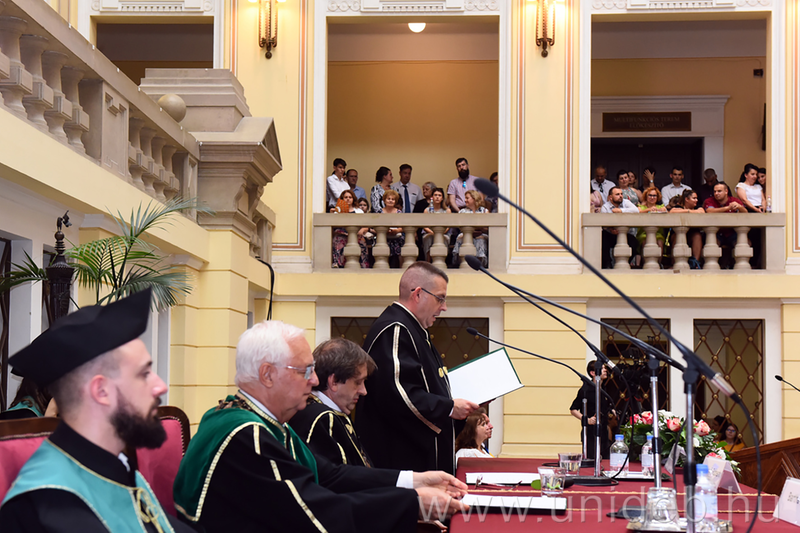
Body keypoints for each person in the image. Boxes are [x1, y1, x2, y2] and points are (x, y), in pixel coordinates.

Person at [172, 320, 469, 533]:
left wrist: (415, 481)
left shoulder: (257, 421)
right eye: (305, 371)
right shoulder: (247, 435)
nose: (314, 381)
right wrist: (413, 503)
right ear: (267, 374)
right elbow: (316, 513)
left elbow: (329, 475)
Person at [0, 289, 192, 532]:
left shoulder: (115, 465)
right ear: (101, 391)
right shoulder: (51, 510)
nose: (160, 386)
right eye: (144, 374)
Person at [355, 262, 479, 475]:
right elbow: (398, 394)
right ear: (418, 294)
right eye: (440, 298)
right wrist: (448, 408)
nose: (444, 307)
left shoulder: (414, 330)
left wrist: (463, 406)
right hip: (401, 463)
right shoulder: (395, 329)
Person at [290, 338, 376, 467]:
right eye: (357, 382)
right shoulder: (321, 419)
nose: (364, 391)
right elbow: (334, 476)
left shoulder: (332, 413)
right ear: (334, 381)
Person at [569, 361, 614, 460]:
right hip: (590, 432)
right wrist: (587, 419)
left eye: (605, 368)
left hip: (604, 431)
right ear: (593, 373)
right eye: (602, 368)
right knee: (592, 459)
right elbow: (573, 409)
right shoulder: (585, 389)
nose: (605, 370)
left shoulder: (604, 387)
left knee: (605, 459)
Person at [703, 182, 747, 268]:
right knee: (711, 243)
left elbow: (745, 213)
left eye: (719, 191)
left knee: (745, 243)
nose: (716, 193)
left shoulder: (734, 200)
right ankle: (714, 266)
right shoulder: (709, 200)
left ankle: (739, 266)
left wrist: (739, 207)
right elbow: (709, 211)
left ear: (726, 191)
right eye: (715, 191)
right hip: (717, 233)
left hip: (732, 232)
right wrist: (728, 208)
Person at [600, 186, 639, 269]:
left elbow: (636, 210)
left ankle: (626, 262)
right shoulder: (605, 207)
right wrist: (611, 229)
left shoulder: (626, 202)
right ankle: (607, 264)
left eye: (621, 194)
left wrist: (621, 210)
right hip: (610, 234)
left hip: (625, 233)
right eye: (617, 194)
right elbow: (604, 224)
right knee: (603, 239)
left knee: (634, 242)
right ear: (610, 197)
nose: (620, 196)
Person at [667, 189, 705, 269]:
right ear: (687, 199)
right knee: (677, 236)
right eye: (694, 198)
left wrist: (689, 211)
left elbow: (701, 212)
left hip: (692, 233)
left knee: (697, 236)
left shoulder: (697, 207)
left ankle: (696, 263)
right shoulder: (678, 207)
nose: (696, 200)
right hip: (678, 232)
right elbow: (672, 211)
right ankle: (675, 262)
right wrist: (689, 211)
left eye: (696, 198)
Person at [452, 190, 489, 267]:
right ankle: (462, 262)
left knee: (480, 240)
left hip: (481, 234)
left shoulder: (484, 211)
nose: (465, 200)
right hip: (466, 234)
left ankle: (480, 264)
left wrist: (480, 230)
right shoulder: (462, 212)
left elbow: (487, 228)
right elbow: (460, 227)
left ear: (474, 198)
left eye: (467, 198)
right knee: (460, 238)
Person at [331, 190, 363, 269]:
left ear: (353, 199)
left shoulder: (359, 211)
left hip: (356, 234)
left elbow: (365, 224)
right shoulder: (337, 212)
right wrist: (332, 214)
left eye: (350, 197)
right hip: (341, 234)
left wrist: (361, 231)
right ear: (342, 199)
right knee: (337, 240)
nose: (348, 199)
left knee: (362, 241)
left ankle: (362, 265)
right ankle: (337, 263)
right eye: (346, 197)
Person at [637, 186, 668, 263]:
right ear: (646, 196)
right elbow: (639, 211)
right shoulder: (641, 207)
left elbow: (665, 210)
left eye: (654, 196)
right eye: (650, 195)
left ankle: (659, 264)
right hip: (643, 233)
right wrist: (649, 209)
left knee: (660, 242)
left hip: (658, 232)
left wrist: (657, 209)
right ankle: (645, 263)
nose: (652, 197)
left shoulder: (661, 207)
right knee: (645, 242)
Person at [421, 187, 451, 261]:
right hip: (429, 232)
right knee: (428, 238)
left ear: (442, 198)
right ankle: (428, 262)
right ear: (432, 197)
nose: (437, 197)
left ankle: (442, 260)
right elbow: (424, 226)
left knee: (444, 239)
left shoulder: (447, 210)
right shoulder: (427, 210)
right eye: (435, 195)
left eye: (439, 195)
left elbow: (448, 226)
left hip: (443, 233)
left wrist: (440, 233)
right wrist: (432, 233)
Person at [381, 189, 405, 268]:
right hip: (383, 236)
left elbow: (403, 227)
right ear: (384, 200)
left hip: (397, 236)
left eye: (393, 199)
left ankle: (401, 268)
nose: (390, 201)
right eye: (388, 199)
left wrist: (397, 230)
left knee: (401, 242)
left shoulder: (399, 212)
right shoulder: (379, 212)